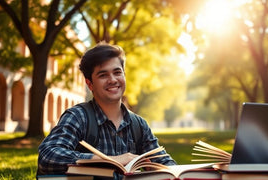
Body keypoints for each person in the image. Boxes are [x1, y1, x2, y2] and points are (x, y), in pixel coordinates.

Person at [37, 42, 176, 177]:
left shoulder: (139, 125)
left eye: (117, 72)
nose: (113, 80)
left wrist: (180, 171)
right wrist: (109, 160)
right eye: (103, 75)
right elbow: (48, 155)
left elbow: (164, 162)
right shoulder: (78, 117)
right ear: (89, 83)